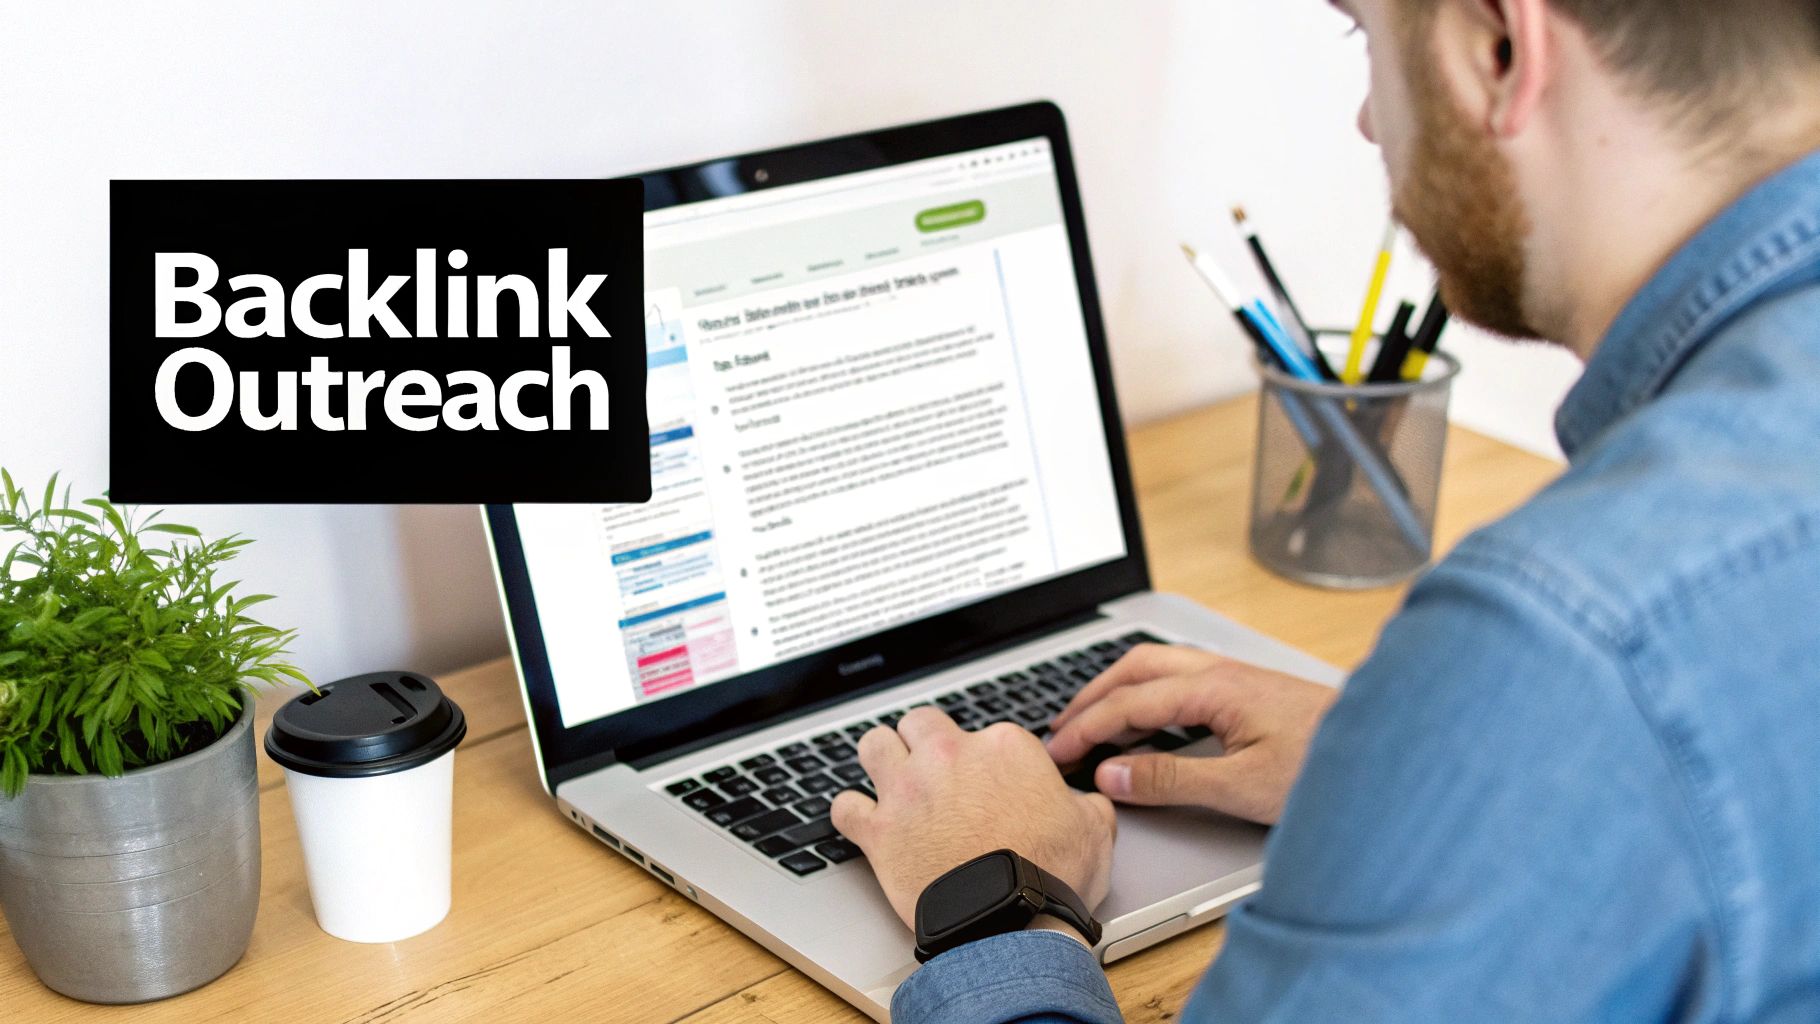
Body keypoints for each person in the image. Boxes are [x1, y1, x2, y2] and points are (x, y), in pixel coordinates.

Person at [828, 0, 1820, 1019]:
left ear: (1498, 47)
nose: (1363, 120)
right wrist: (1410, 766)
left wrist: (991, 907)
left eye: (1364, 37)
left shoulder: (1565, 645)